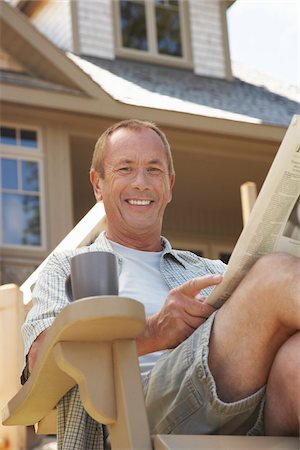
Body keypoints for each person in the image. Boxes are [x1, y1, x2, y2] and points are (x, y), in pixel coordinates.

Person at [22, 119, 300, 449]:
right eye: (125, 168)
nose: (141, 183)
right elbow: (41, 361)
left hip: (252, 412)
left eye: (154, 170)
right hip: (135, 417)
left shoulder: (210, 269)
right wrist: (152, 332)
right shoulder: (68, 266)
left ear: (169, 185)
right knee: (273, 273)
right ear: (98, 184)